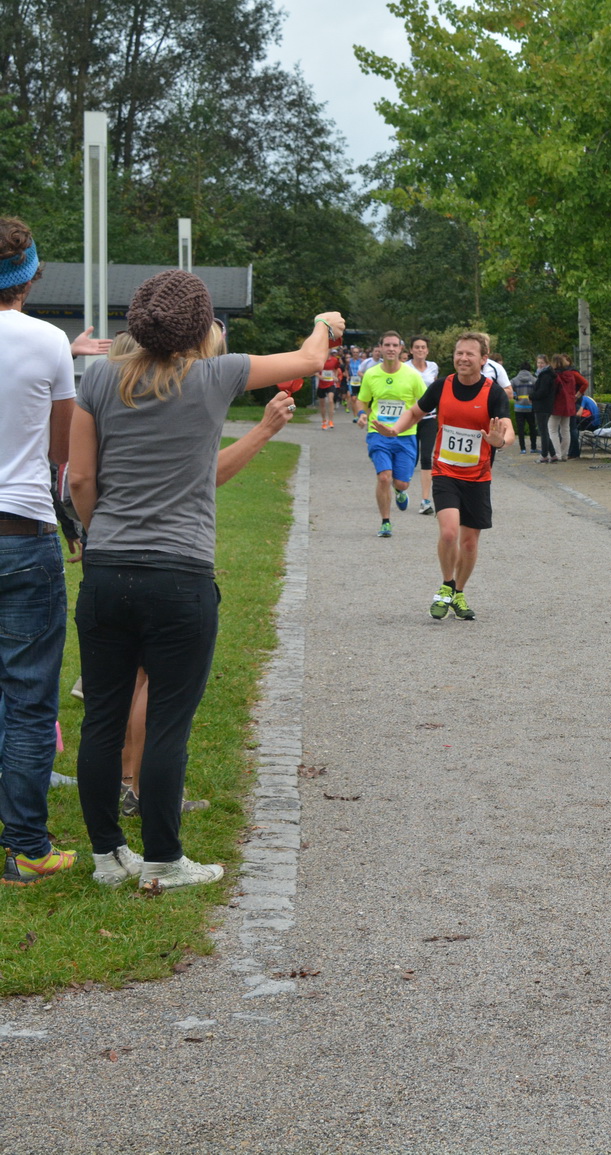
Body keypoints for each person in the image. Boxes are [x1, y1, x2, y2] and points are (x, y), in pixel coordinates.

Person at [68, 270, 319, 890]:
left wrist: (102, 538)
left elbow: (79, 481)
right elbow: (311, 360)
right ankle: (163, 859)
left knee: (101, 717)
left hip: (107, 570)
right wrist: (326, 325)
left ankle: (106, 856)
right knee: (168, 726)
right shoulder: (218, 375)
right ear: (201, 325)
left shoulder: (98, 377)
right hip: (180, 574)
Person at [0, 215, 110, 886]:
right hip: (24, 534)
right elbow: (63, 461)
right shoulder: (47, 345)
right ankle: (27, 846)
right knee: (30, 697)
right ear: (32, 275)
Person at [378, 332, 514, 620]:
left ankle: (459, 592)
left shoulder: (493, 392)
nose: (463, 358)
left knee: (469, 542)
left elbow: (506, 429)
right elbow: (415, 412)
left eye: (470, 354)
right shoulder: (442, 386)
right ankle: (446, 585)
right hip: (445, 471)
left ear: (483, 359)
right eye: (459, 353)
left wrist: (498, 441)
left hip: (478, 476)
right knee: (450, 532)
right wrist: (394, 429)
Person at [356, 331, 424, 538]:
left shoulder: (412, 376)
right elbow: (362, 400)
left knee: (401, 482)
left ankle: (400, 491)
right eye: (387, 345)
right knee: (384, 477)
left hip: (405, 435)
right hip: (378, 434)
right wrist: (361, 415)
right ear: (381, 348)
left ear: (401, 348)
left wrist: (412, 421)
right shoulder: (371, 374)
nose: (391, 349)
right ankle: (385, 521)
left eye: (395, 345)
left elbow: (424, 405)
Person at [405, 336, 441, 513]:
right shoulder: (404, 368)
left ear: (427, 350)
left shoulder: (433, 367)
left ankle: (425, 500)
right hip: (410, 418)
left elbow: (434, 390)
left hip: (429, 418)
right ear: (411, 350)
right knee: (411, 458)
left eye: (423, 347)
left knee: (427, 457)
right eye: (417, 347)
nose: (420, 350)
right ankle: (400, 489)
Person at [546, 353, 578, 461]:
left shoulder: (554, 376)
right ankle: (564, 454)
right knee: (565, 430)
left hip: (557, 405)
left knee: (552, 430)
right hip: (569, 405)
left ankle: (557, 454)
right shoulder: (570, 375)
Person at [510, 362, 537, 454]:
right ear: (529, 369)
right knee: (532, 428)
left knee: (520, 429)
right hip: (531, 407)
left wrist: (516, 397)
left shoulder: (514, 380)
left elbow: (508, 390)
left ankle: (523, 449)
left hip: (519, 408)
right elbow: (537, 392)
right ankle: (533, 447)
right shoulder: (534, 380)